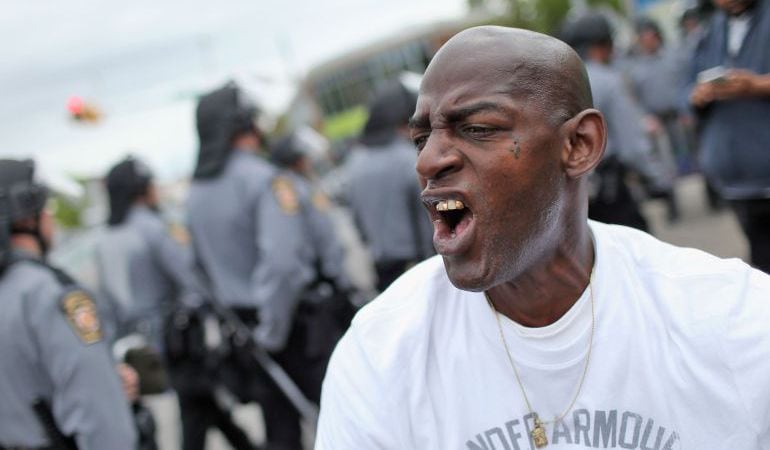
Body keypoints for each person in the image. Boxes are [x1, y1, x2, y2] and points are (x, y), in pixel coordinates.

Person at [315, 26, 770, 449]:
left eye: (477, 128)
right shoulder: (380, 356)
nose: (428, 161)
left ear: (579, 145)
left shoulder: (733, 321)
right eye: (420, 139)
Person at [187, 82, 321, 450]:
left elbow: (196, 271)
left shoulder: (194, 196)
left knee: (281, 432)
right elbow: (283, 264)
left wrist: (246, 331)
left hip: (245, 333)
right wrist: (273, 330)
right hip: (289, 325)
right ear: (244, 123)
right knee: (341, 418)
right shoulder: (265, 179)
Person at [95, 156, 255, 450]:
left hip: (138, 347)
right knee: (195, 408)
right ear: (141, 190)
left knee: (202, 404)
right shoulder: (155, 227)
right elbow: (192, 279)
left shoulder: (104, 240)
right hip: (177, 342)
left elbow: (107, 304)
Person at [0, 158, 137, 449]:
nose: (50, 218)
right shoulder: (48, 293)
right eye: (45, 208)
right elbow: (101, 420)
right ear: (26, 218)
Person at [688, 0, 770, 273]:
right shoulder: (711, 30)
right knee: (761, 262)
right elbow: (685, 87)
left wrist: (757, 85)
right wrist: (697, 96)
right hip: (736, 181)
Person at [345, 79, 435, 291]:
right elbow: (430, 221)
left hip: (383, 269)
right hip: (418, 266)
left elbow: (358, 225)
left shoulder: (355, 162)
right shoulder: (409, 159)